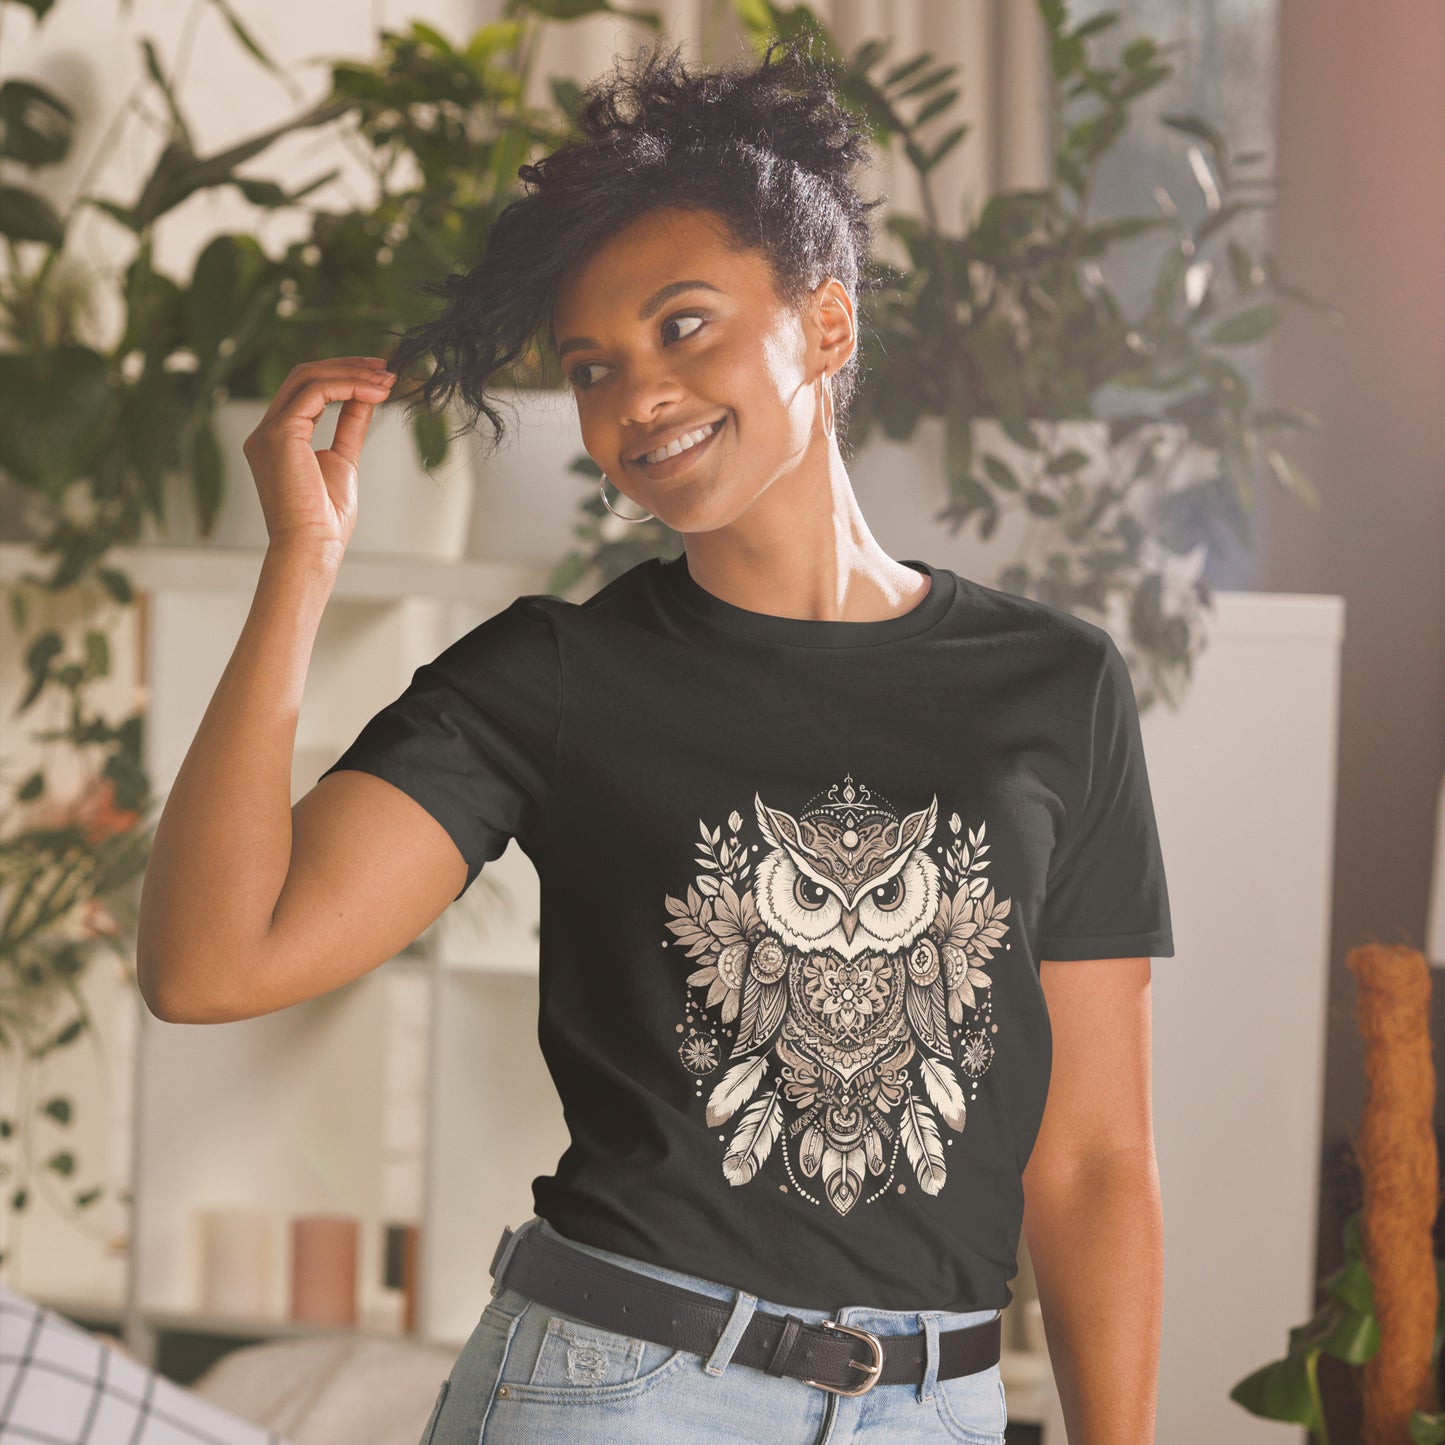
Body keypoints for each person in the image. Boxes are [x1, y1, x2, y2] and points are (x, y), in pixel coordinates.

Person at [136, 29, 1174, 1445]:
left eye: (681, 325)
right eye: (590, 366)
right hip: (617, 1391)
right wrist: (300, 567)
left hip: (939, 1408)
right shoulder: (552, 677)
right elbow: (210, 962)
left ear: (825, 323)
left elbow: (1097, 1157)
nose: (634, 399)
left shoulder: (1055, 684)